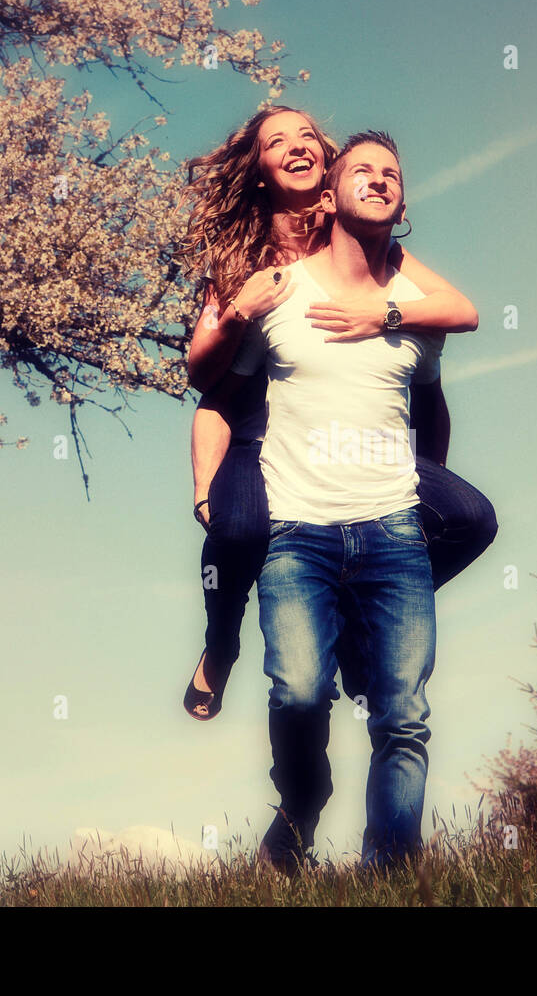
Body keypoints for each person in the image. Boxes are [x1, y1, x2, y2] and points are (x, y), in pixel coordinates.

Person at [177, 106, 496, 721]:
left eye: (307, 137)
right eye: (277, 142)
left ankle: (357, 619)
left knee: (470, 518)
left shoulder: (356, 236)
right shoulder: (243, 256)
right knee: (239, 530)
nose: (296, 146)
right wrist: (240, 309)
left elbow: (458, 307)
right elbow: (201, 376)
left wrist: (384, 316)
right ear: (260, 170)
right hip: (258, 433)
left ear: (327, 164)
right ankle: (220, 645)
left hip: (357, 444)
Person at [208, 131, 455, 873]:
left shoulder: (414, 309)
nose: (379, 181)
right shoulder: (281, 290)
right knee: (299, 692)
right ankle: (301, 807)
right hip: (296, 535)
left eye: (392, 175)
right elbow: (220, 398)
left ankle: (391, 869)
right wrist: (207, 492)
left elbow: (433, 407)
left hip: (394, 535)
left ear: (401, 200)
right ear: (332, 194)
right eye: (363, 171)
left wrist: (423, 485)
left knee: (403, 717)